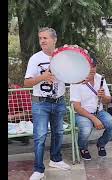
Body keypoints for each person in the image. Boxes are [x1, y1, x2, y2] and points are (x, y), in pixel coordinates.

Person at [24, 27, 71, 180]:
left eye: (45, 38)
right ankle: (38, 169)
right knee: (40, 136)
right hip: (41, 103)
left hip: (59, 101)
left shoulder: (63, 56)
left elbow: (71, 76)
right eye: (40, 38)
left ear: (54, 39)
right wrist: (42, 77)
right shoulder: (35, 59)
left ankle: (56, 159)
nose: (42, 41)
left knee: (58, 133)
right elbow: (26, 82)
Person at [69, 56, 112, 161]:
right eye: (89, 66)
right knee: (86, 129)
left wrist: (103, 96)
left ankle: (101, 144)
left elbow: (107, 101)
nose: (92, 69)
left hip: (99, 111)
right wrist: (94, 119)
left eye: (94, 66)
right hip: (82, 114)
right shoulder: (76, 81)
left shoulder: (100, 78)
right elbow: (76, 107)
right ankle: (82, 147)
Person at [8, 80, 32, 145]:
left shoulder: (21, 92)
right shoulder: (11, 93)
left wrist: (11, 117)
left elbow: (28, 112)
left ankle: (23, 137)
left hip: (22, 121)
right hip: (13, 118)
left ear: (10, 86)